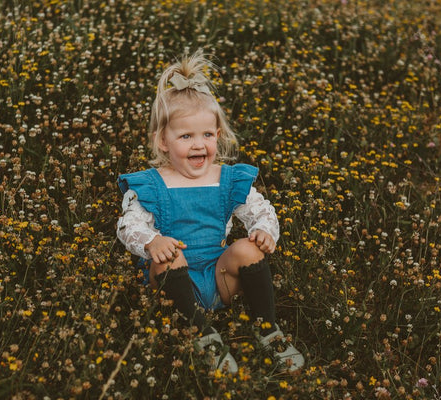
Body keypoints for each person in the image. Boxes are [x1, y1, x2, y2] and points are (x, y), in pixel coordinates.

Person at [116, 50, 304, 373]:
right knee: (168, 256)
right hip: (175, 284)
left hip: (221, 279)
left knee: (246, 248)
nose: (198, 144)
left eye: (206, 135)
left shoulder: (227, 179)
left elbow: (262, 210)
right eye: (185, 136)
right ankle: (202, 335)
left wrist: (264, 231)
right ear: (162, 141)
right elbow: (128, 225)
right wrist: (151, 242)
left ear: (217, 136)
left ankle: (267, 329)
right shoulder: (152, 184)